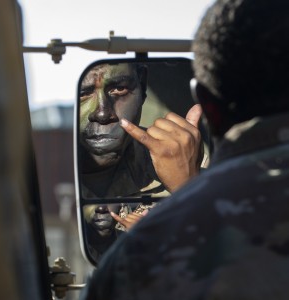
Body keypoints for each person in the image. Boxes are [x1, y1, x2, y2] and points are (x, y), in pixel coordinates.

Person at [80, 0, 289, 299]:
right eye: (86, 93)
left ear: (207, 106)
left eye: (119, 89)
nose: (102, 113)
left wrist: (190, 191)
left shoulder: (139, 258)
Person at [79, 62, 203, 199]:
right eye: (83, 94)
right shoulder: (52, 173)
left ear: (142, 86)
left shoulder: (184, 159)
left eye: (120, 89)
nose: (102, 114)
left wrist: (187, 187)